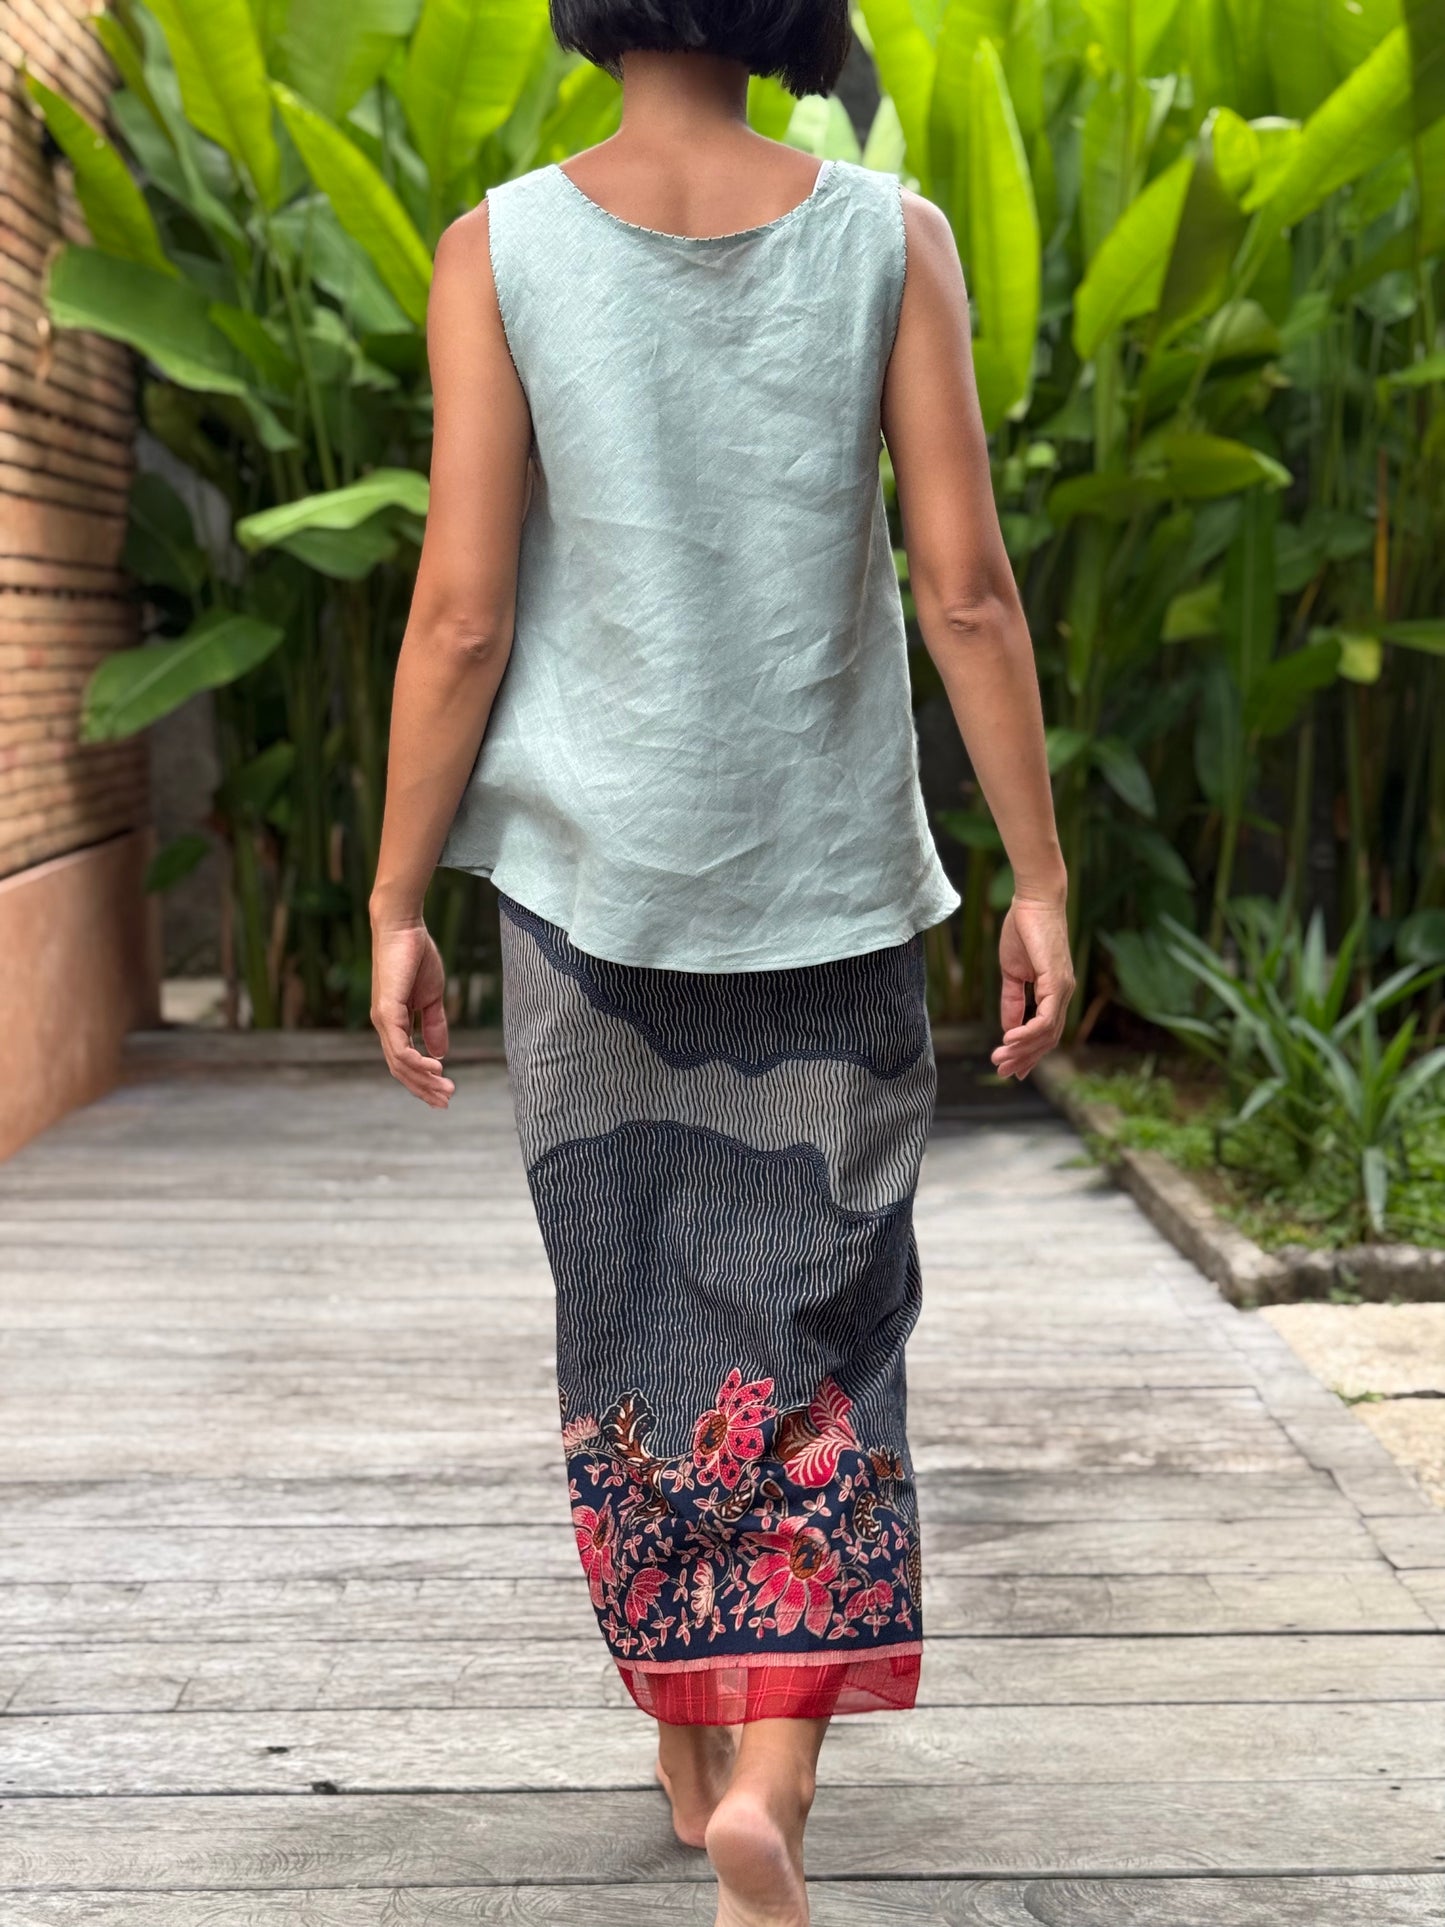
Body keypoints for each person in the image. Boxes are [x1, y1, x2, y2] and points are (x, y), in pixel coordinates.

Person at [368, 3, 1073, 1920]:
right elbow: (964, 590)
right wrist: (1037, 876)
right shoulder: (890, 240)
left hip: (585, 892)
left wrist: (396, 897)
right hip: (827, 883)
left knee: (638, 1314)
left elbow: (459, 612)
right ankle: (763, 1777)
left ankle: (697, 1744)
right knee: (822, 1317)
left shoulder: (497, 248)